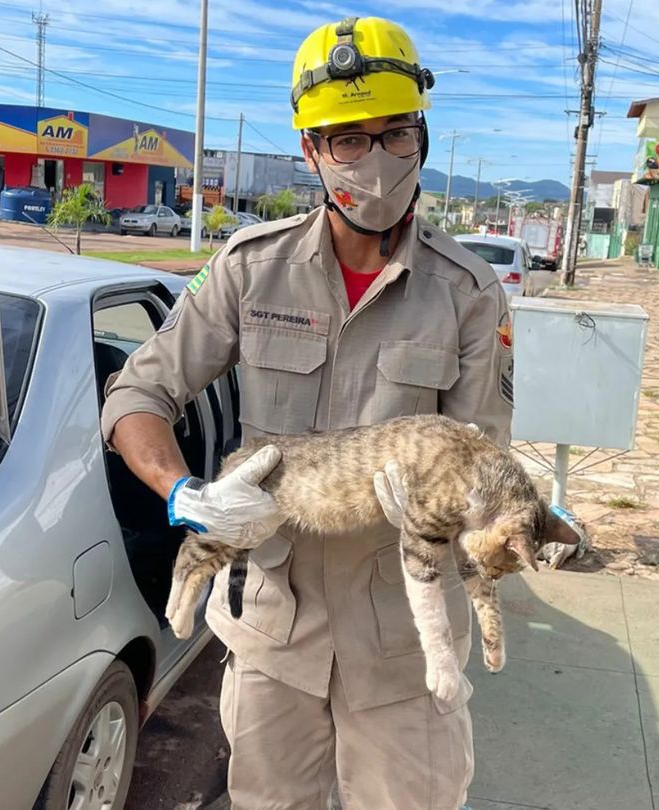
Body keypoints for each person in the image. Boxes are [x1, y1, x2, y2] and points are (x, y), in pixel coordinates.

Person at [101, 16, 512, 809]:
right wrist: (186, 495)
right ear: (312, 153)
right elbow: (136, 397)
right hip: (273, 640)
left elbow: (484, 467)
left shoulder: (468, 294)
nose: (377, 160)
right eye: (348, 140)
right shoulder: (251, 270)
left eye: (394, 133)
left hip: (403, 655)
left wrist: (450, 502)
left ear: (421, 135)